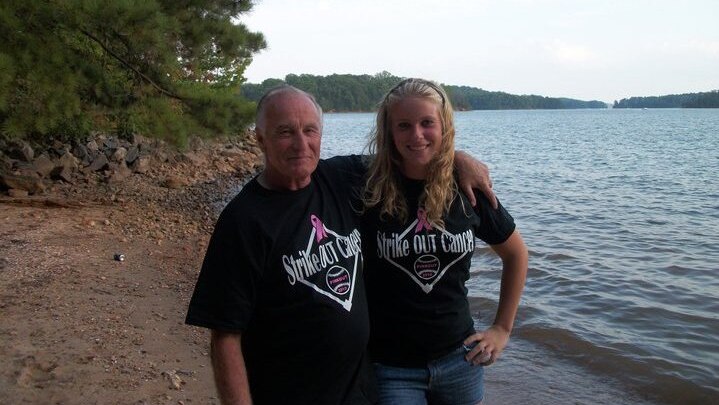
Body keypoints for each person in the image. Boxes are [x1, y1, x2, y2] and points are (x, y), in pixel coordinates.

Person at [185, 85, 495, 405]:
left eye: (310, 130)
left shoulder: (339, 178)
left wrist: (457, 159)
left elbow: (409, 155)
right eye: (285, 132)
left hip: (360, 390)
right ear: (260, 138)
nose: (301, 144)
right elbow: (225, 336)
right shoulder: (244, 220)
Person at [361, 78, 528, 405]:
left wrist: (502, 330)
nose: (417, 135)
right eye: (404, 126)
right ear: (389, 132)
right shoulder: (367, 188)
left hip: (461, 359)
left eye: (427, 123)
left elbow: (517, 255)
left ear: (444, 127)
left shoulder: (467, 190)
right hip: (391, 367)